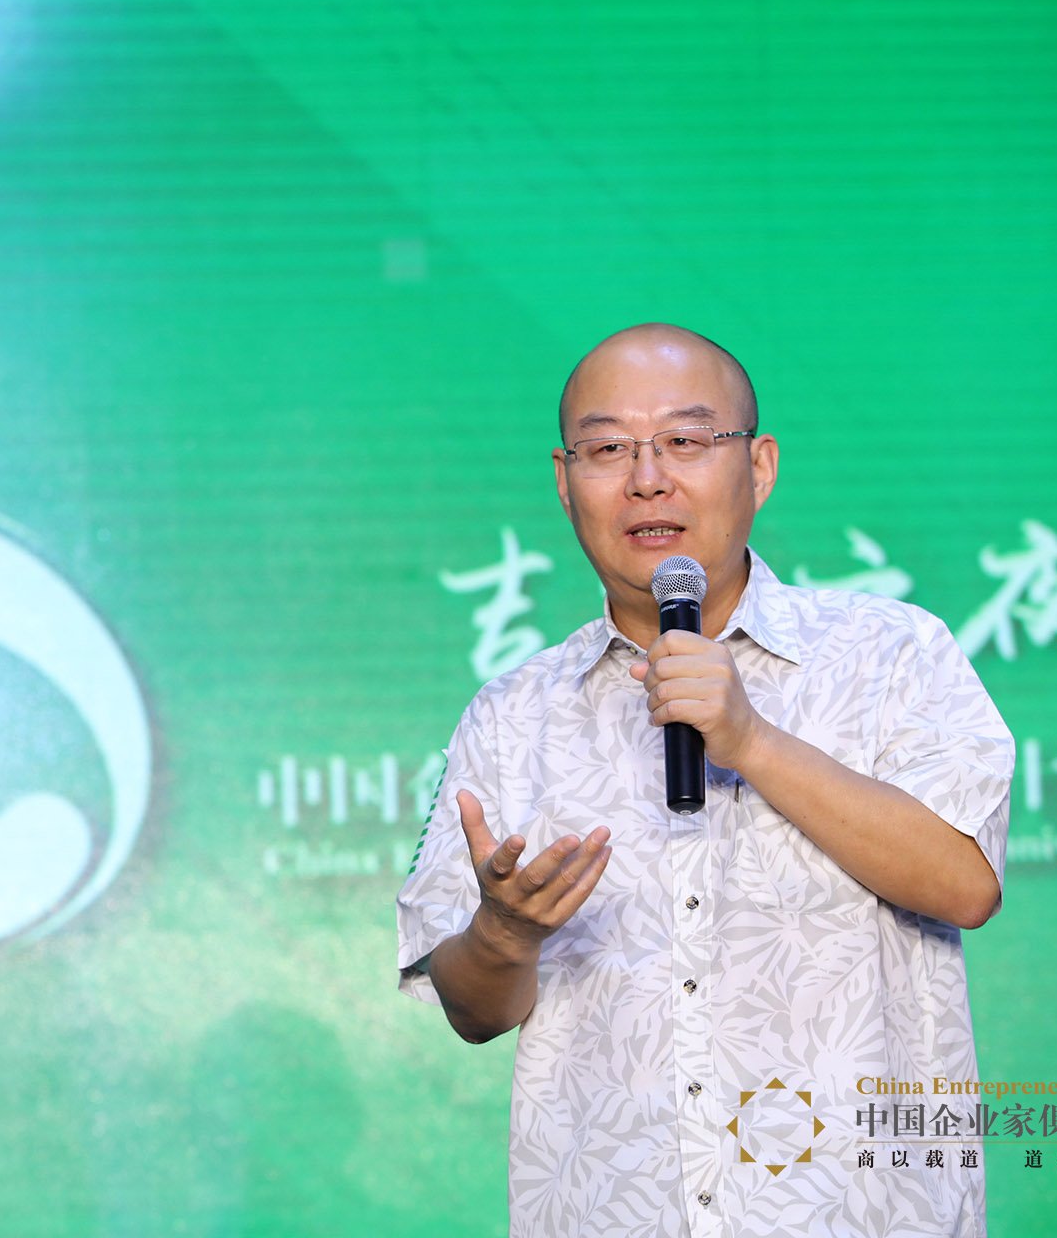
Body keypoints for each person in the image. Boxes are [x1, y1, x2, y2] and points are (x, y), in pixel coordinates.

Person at [396, 324, 1012, 1237]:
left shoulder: (893, 653)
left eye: (685, 440)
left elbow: (966, 884)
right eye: (609, 448)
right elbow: (472, 1011)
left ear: (759, 467)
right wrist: (504, 933)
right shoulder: (514, 713)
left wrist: (752, 740)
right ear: (565, 481)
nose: (648, 478)